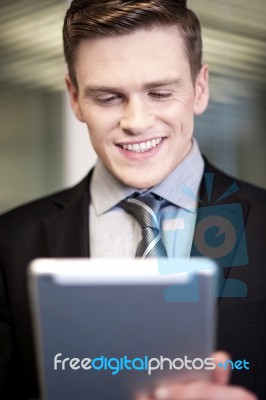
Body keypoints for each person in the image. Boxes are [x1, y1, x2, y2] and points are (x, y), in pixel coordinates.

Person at [0, 0, 265, 399]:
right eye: (108, 97)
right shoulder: (9, 241)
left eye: (159, 92)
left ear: (199, 89)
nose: (136, 121)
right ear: (74, 98)